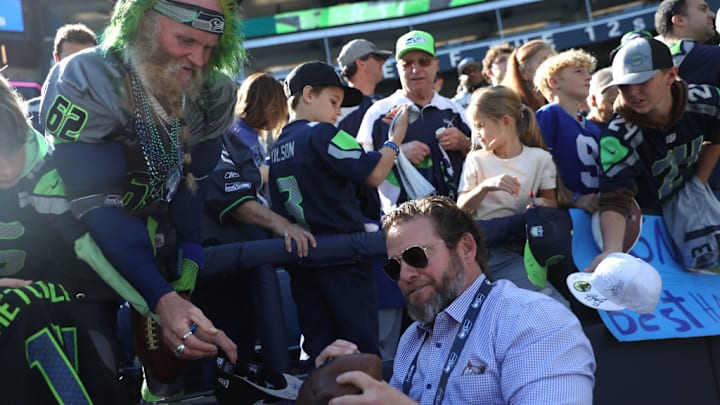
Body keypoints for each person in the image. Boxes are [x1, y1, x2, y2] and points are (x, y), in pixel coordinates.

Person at [39, 0, 243, 398]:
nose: (198, 58)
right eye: (186, 40)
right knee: (94, 380)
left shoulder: (214, 91)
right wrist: (160, 296)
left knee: (168, 376)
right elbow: (96, 203)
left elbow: (191, 180)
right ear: (144, 24)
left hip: (153, 238)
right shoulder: (88, 76)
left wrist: (188, 250)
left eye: (209, 46)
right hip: (77, 251)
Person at [315, 196, 595, 404]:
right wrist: (348, 386)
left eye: (416, 255)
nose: (406, 274)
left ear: (466, 248)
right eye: (393, 266)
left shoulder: (533, 319)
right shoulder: (412, 338)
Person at [0, 72, 134, 403]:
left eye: (12, 151)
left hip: (58, 307)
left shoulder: (51, 169)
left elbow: (93, 252)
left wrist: (159, 304)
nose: (5, 168)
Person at [268, 61, 409, 369]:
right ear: (307, 94)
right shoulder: (322, 133)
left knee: (322, 357)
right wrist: (394, 140)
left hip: (304, 264)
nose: (338, 112)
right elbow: (373, 172)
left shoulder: (276, 148)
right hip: (345, 260)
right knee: (360, 354)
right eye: (333, 102)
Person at [200, 72, 316, 378]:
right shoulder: (215, 135)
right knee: (227, 349)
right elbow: (233, 199)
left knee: (245, 344)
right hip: (218, 260)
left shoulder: (238, 135)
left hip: (243, 259)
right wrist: (282, 225)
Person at [585, 36, 720, 272]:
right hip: (646, 216)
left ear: (670, 75)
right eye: (625, 85)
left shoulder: (707, 99)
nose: (633, 92)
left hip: (686, 195)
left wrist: (698, 182)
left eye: (642, 81)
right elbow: (616, 199)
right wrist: (613, 252)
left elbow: (717, 138)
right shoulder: (619, 135)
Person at [456, 86, 568, 305]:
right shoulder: (475, 160)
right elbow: (462, 210)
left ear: (506, 121)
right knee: (554, 306)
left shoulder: (540, 158)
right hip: (490, 249)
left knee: (557, 306)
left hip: (531, 246)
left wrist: (541, 203)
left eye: (481, 125)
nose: (476, 134)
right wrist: (485, 186)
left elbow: (551, 201)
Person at [337, 38, 406, 362]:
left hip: (392, 223)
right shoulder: (342, 113)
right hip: (358, 230)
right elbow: (364, 173)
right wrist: (395, 149)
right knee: (377, 340)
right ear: (360, 63)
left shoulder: (380, 105)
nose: (383, 63)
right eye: (376, 58)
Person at [358, 30, 472, 212]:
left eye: (424, 62)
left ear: (436, 65)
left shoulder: (455, 109)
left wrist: (465, 143)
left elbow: (486, 156)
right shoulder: (378, 112)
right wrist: (396, 153)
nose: (415, 69)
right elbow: (360, 168)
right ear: (398, 68)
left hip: (455, 217)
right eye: (407, 63)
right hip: (401, 221)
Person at [655, 0, 720, 196]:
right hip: (710, 186)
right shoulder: (707, 57)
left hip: (666, 188)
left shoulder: (649, 67)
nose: (711, 15)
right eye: (703, 9)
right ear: (679, 20)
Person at [534, 49, 602, 214]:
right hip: (566, 213)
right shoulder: (549, 115)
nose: (589, 77)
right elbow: (541, 168)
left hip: (594, 208)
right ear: (554, 82)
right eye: (579, 71)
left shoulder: (592, 126)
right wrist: (572, 197)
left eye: (588, 72)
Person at [27, 23, 98, 132]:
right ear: (57, 58)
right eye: (71, 60)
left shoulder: (114, 112)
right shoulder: (30, 113)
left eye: (86, 61)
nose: (78, 67)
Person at [500, 39, 554, 111]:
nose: (553, 67)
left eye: (553, 60)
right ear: (524, 72)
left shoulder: (560, 98)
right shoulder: (515, 109)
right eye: (544, 62)